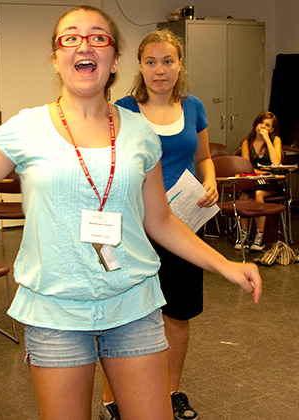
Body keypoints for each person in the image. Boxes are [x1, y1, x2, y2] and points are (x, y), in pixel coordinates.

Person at [0, 7, 262, 420]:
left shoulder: (140, 133)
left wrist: (225, 264)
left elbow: (161, 220)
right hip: (56, 312)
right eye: (71, 37)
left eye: (98, 37)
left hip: (133, 306)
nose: (84, 44)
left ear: (115, 59)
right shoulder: (25, 129)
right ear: (55, 58)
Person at [98, 29, 217, 420]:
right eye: (151, 61)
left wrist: (211, 179)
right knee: (126, 313)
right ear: (139, 66)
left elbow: (203, 159)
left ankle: (171, 391)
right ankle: (112, 399)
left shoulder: (194, 106)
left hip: (183, 224)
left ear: (180, 63)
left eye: (167, 61)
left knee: (177, 314)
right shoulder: (123, 109)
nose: (159, 70)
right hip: (135, 226)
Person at [236, 111, 284, 251]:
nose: (262, 126)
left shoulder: (276, 140)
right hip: (254, 178)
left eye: (267, 125)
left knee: (259, 194)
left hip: (271, 181)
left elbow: (276, 163)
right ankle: (243, 235)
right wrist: (260, 172)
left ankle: (259, 236)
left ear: (272, 129)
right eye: (261, 123)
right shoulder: (247, 142)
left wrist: (267, 139)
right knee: (243, 195)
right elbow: (246, 166)